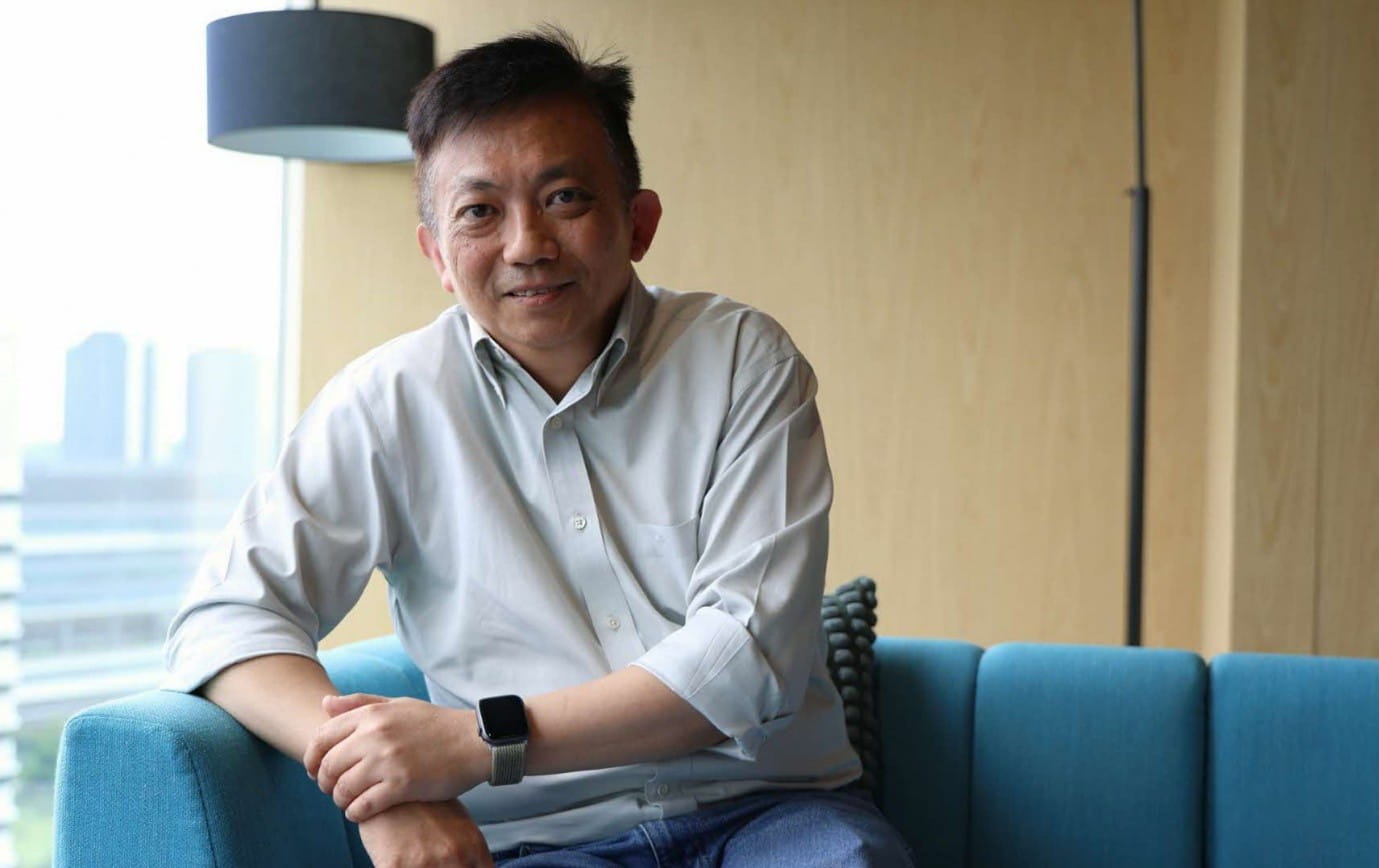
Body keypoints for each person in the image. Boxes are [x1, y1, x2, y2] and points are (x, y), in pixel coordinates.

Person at [166, 26, 914, 868]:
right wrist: (379, 784)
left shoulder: (741, 358)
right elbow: (225, 619)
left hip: (772, 816)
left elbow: (745, 658)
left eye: (564, 197)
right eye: (479, 211)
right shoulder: (385, 403)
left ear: (639, 221)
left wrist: (479, 743)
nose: (526, 244)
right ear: (436, 255)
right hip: (544, 844)